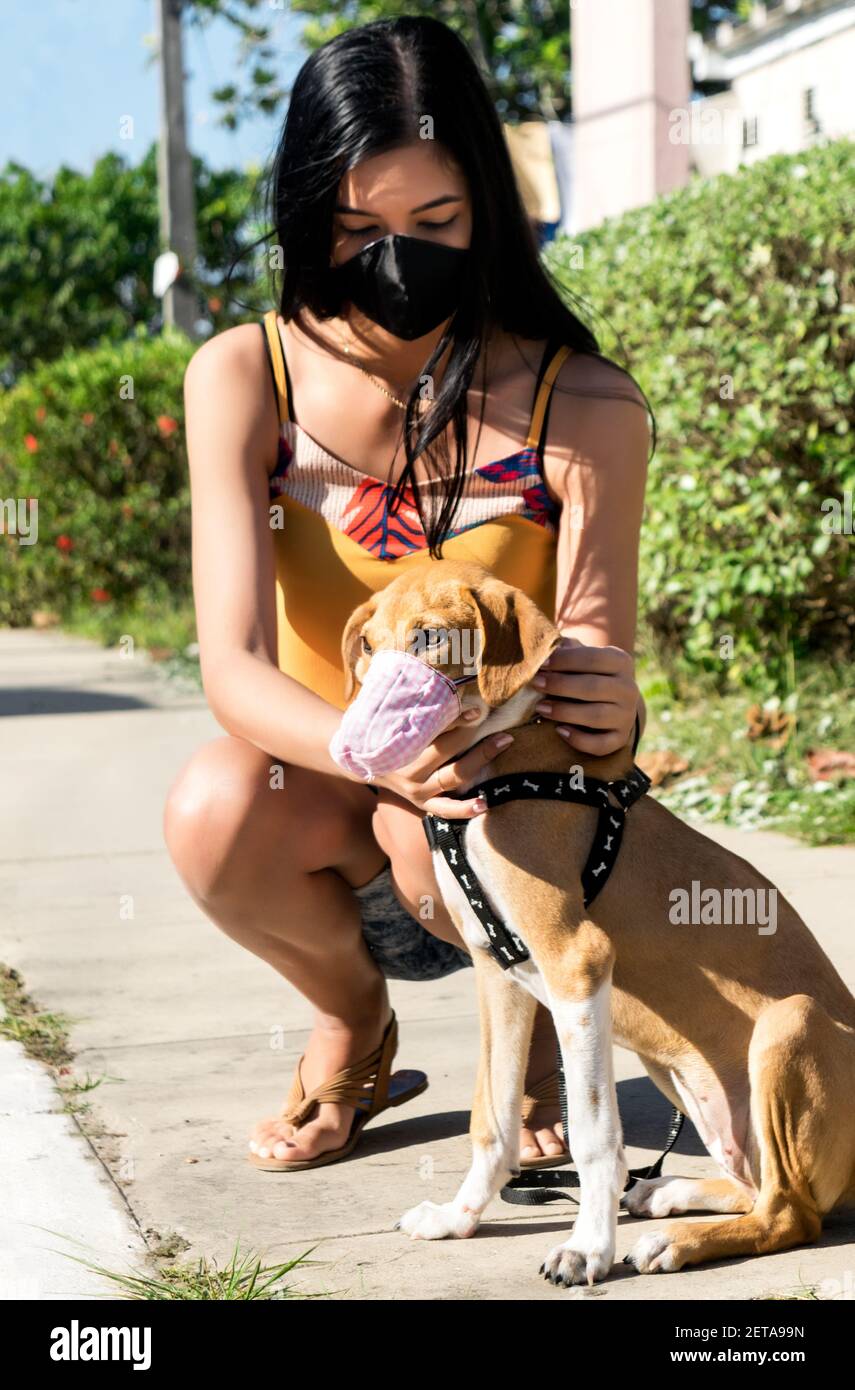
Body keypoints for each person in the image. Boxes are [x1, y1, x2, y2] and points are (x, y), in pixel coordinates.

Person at [164, 16, 651, 1174]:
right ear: (307, 220)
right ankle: (350, 1019)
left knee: (461, 838)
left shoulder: (580, 402)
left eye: (436, 222)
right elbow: (230, 665)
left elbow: (596, 660)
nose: (401, 255)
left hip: (514, 793)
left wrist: (608, 705)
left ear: (487, 200)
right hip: (330, 789)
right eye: (357, 228)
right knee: (213, 806)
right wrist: (380, 766)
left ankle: (533, 1041)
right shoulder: (245, 375)